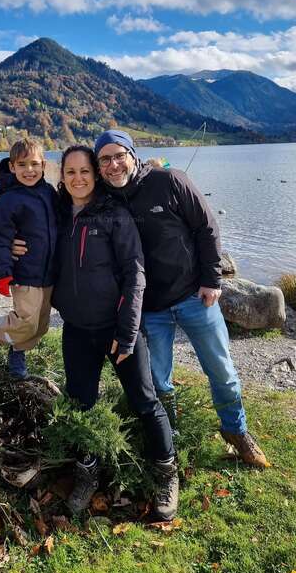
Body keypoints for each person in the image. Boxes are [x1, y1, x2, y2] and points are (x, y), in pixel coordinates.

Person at [93, 129, 268, 469]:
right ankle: (170, 435)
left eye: (119, 155)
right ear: (98, 166)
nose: (113, 165)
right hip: (150, 309)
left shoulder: (169, 179)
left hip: (194, 296)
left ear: (132, 154)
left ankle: (236, 431)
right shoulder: (106, 200)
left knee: (223, 372)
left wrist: (211, 280)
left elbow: (207, 227)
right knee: (158, 380)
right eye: (105, 159)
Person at [51, 145, 178, 518]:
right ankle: (88, 474)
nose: (78, 178)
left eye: (85, 171)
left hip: (118, 329)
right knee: (81, 405)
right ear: (61, 175)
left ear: (95, 174)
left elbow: (134, 275)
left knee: (145, 402)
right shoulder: (57, 214)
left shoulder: (114, 214)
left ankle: (166, 474)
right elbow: (19, 203)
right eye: (70, 172)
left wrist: (127, 333)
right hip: (76, 330)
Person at [0, 138, 58, 379]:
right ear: (12, 167)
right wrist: (3, 274)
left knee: (40, 324)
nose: (29, 170)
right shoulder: (6, 203)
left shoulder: (49, 193)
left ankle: (17, 354)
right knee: (26, 320)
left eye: (34, 164)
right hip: (25, 272)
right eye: (22, 165)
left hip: (48, 274)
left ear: (44, 165)